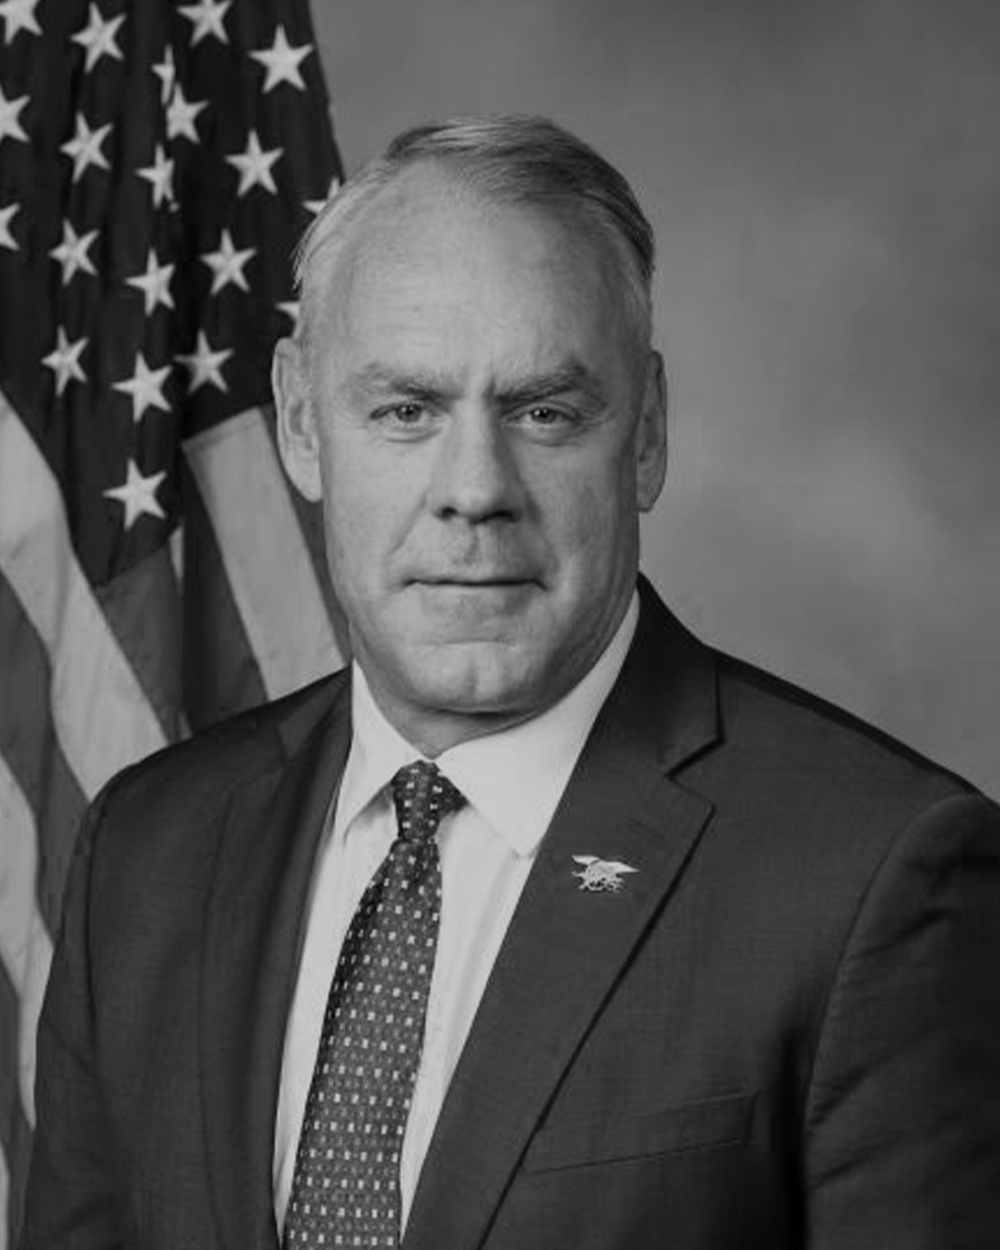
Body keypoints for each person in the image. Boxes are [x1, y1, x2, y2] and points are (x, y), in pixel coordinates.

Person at [22, 115, 1000, 1250]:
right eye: (405, 411)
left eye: (543, 412)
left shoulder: (875, 877)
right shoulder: (147, 850)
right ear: (299, 422)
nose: (475, 490)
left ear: (645, 435)